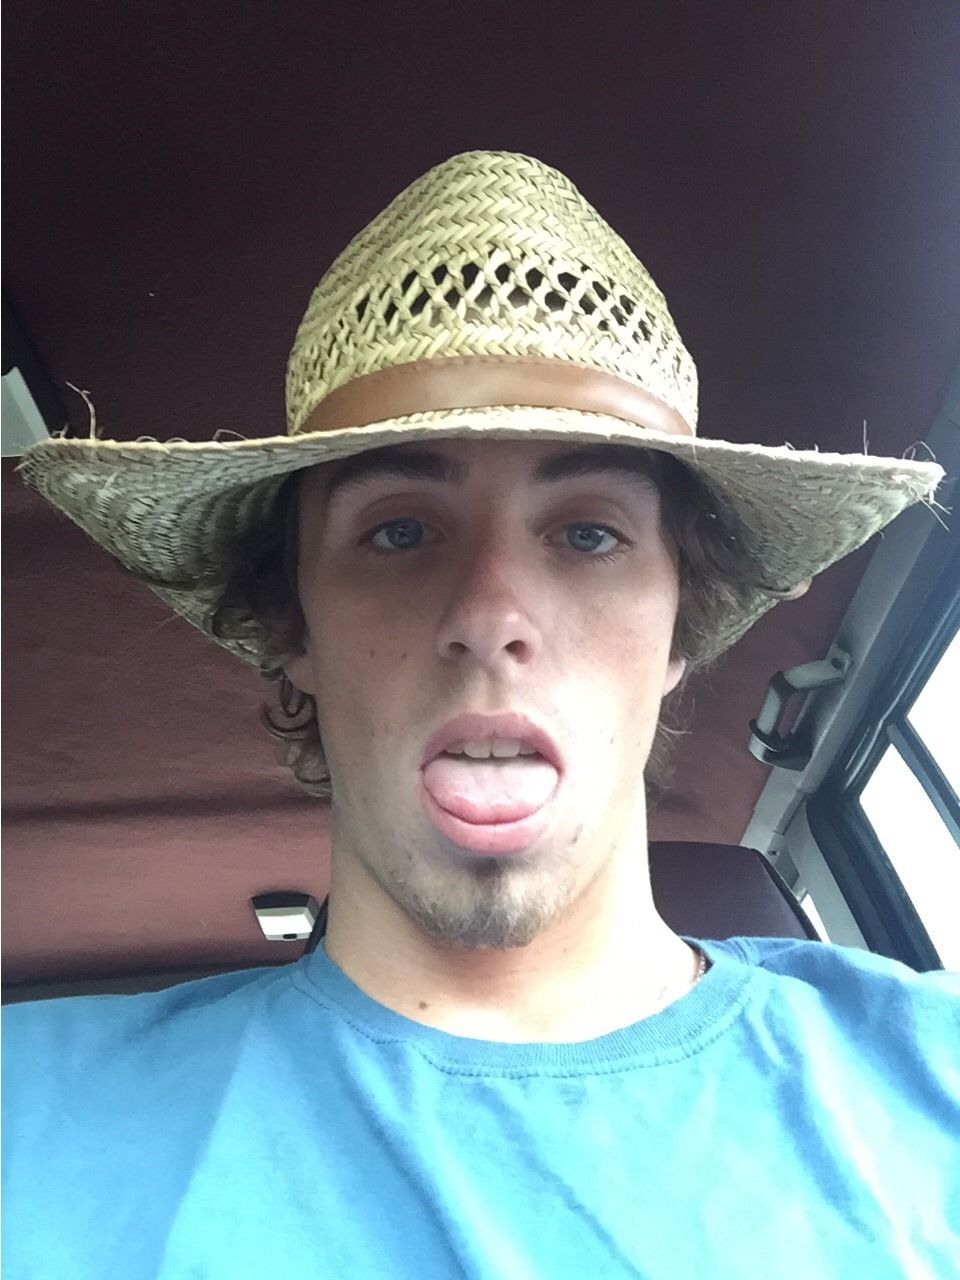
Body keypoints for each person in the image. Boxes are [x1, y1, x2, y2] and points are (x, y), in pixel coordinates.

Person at [4, 151, 957, 1278]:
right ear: (294, 626)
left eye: (590, 533)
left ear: (680, 632)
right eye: (400, 531)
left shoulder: (932, 1075)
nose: (490, 615)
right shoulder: (33, 1120)